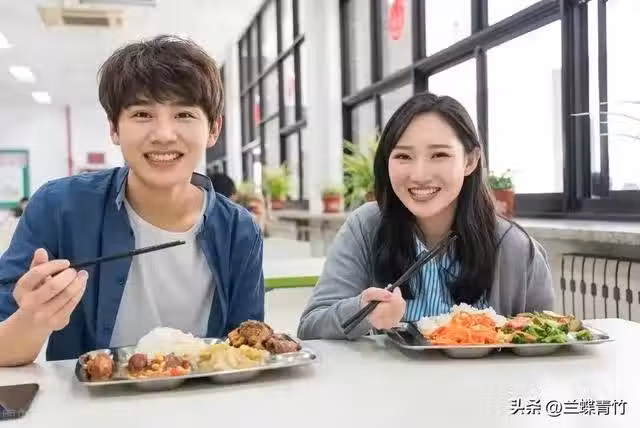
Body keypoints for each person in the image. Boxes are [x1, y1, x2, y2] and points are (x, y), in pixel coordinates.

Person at [0, 35, 264, 366]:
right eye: (142, 114)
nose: (164, 134)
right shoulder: (58, 207)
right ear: (114, 127)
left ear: (213, 129)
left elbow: (248, 350)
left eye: (184, 114)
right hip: (88, 399)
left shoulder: (240, 231)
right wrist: (33, 320)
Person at [297, 92, 554, 340]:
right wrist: (362, 311)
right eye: (403, 156)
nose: (419, 175)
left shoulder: (516, 248)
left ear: (470, 160)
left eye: (439, 155)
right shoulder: (365, 226)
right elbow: (311, 327)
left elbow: (547, 342)